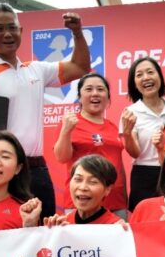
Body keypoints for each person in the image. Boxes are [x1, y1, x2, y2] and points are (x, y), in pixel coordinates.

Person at [0, 4, 91, 219]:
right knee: (4, 230)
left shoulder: (36, 69)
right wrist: (5, 161)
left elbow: (80, 67)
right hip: (3, 170)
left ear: (20, 31)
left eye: (12, 27)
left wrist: (77, 33)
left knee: (44, 230)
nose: (7, 34)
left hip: (36, 168)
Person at [52, 73, 128, 220]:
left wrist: (124, 196)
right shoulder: (70, 123)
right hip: (82, 202)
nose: (95, 93)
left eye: (100, 89)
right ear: (79, 97)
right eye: (89, 89)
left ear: (108, 97)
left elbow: (119, 166)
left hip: (116, 203)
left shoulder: (113, 127)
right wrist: (66, 130)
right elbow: (62, 157)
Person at [119, 57, 165, 210]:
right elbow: (135, 153)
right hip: (144, 174)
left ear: (160, 76)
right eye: (139, 75)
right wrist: (127, 133)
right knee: (144, 218)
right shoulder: (130, 113)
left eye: (150, 72)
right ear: (134, 83)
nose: (146, 77)